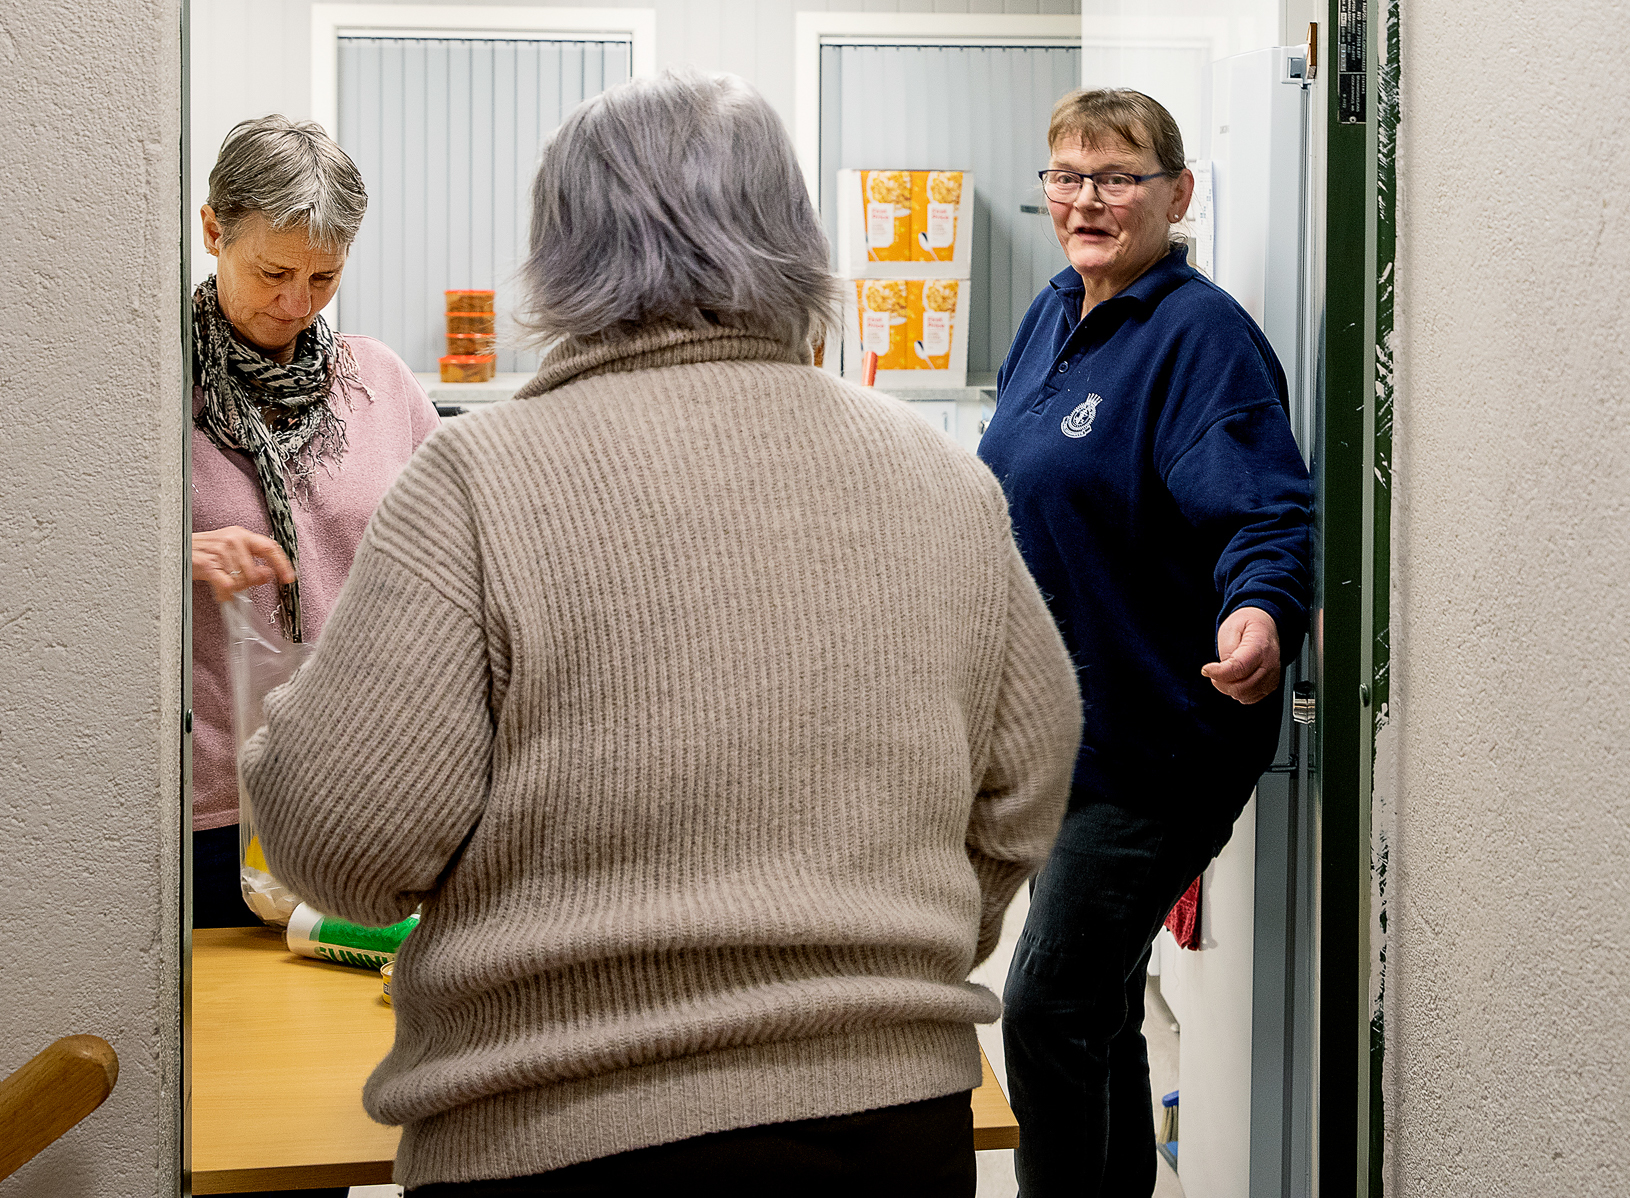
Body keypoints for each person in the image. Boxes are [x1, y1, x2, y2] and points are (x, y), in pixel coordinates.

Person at [242, 71, 1082, 1198]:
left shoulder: (480, 478)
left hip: (560, 1127)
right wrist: (887, 943)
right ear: (793, 234)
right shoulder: (941, 478)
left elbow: (345, 850)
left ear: (561, 246)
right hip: (890, 1121)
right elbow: (1034, 764)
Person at [978, 87, 1315, 1198]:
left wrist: (1261, 611)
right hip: (1066, 737)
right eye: (1067, 176)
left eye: (1118, 178)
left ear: (1176, 194)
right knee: (1099, 1006)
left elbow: (1265, 511)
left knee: (1046, 1007)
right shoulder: (1051, 316)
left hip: (1156, 742)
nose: (1087, 200)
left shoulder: (1197, 336)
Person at [189, 114, 438, 934]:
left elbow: (457, 553)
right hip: (210, 809)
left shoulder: (378, 383)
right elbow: (55, 558)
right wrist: (167, 554)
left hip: (358, 793)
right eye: (272, 272)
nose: (295, 303)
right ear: (213, 231)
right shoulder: (153, 389)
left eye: (323, 277)